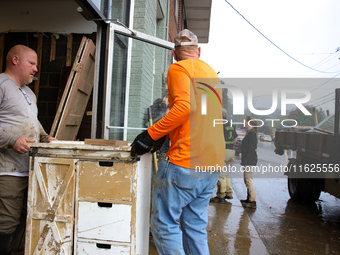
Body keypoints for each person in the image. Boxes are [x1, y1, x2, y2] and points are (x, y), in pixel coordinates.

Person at [130, 29, 225, 255]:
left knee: (164, 224)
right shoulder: (211, 74)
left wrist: (151, 134)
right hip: (211, 164)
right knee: (195, 225)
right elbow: (197, 114)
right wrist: (166, 133)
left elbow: (184, 107)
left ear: (174, 53)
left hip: (185, 162)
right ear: (198, 51)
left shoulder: (178, 68)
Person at [0, 45, 57, 254]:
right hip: (6, 170)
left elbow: (32, 122)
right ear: (15, 60)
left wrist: (45, 137)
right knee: (6, 221)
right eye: (31, 63)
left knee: (24, 218)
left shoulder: (29, 93)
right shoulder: (1, 85)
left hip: (29, 168)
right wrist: (12, 140)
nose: (35, 69)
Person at [210, 108, 238, 203]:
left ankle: (221, 195)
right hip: (231, 151)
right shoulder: (231, 123)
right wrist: (230, 144)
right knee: (225, 173)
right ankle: (228, 193)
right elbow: (236, 137)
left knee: (220, 174)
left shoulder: (219, 123)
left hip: (223, 150)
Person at [240, 116, 258, 209]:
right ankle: (248, 198)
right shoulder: (249, 133)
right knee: (246, 179)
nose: (243, 123)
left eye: (245, 121)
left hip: (250, 160)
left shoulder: (252, 134)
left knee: (248, 179)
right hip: (248, 160)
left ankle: (252, 201)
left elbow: (251, 149)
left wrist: (247, 160)